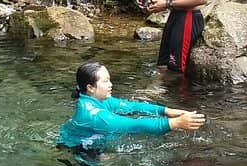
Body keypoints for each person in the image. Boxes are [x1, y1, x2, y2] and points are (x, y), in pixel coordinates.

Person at [57, 61, 206, 151]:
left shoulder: (98, 99)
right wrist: (176, 123)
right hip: (79, 150)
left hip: (88, 139)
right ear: (90, 88)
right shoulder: (96, 116)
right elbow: (134, 125)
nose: (111, 84)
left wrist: (167, 111)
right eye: (105, 81)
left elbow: (132, 106)